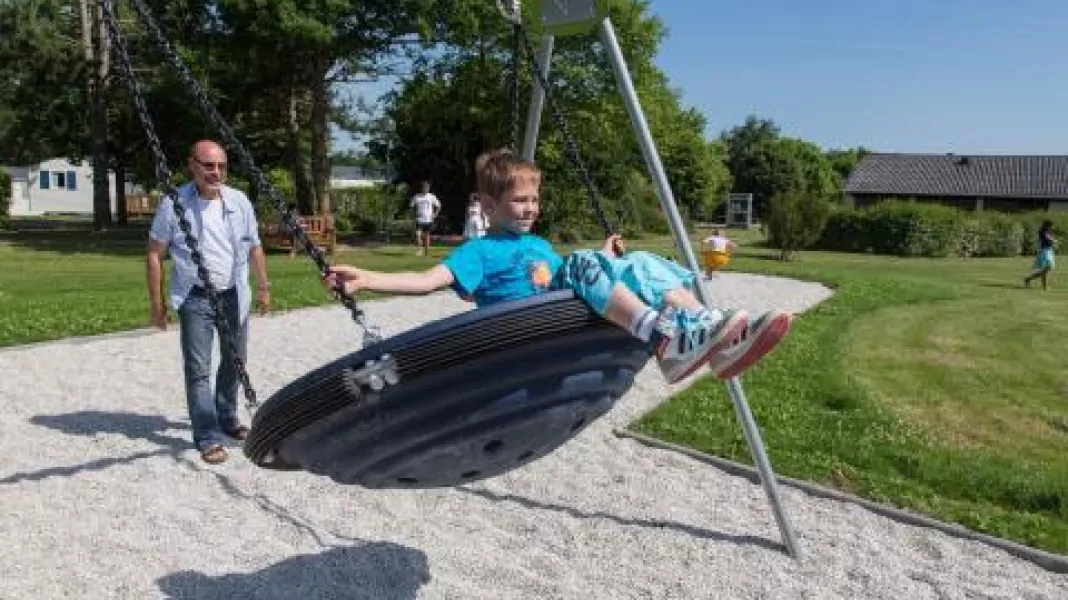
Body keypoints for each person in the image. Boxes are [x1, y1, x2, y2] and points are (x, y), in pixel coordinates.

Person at [323, 149, 792, 384]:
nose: (530, 208)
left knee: (641, 262)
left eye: (534, 199)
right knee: (588, 262)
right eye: (519, 200)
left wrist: (607, 257)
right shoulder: (479, 251)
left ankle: (710, 333)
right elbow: (428, 280)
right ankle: (664, 338)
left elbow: (573, 275)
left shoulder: (540, 244)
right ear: (488, 204)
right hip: (526, 327)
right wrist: (368, 278)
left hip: (561, 312)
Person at [146, 139, 272, 464]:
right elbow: (155, 254)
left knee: (235, 361)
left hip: (234, 294)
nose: (216, 172)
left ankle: (227, 417)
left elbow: (255, 246)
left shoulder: (239, 201)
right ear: (192, 165)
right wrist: (157, 304)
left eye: (221, 166)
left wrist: (263, 287)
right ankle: (207, 435)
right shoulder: (174, 204)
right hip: (195, 296)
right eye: (208, 165)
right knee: (198, 369)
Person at [410, 180, 441, 255]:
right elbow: (411, 206)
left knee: (426, 236)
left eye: (427, 187)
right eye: (424, 187)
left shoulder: (431, 196)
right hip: (419, 219)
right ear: (421, 188)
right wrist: (413, 215)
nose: (425, 189)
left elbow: (438, 206)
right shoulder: (417, 197)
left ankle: (426, 252)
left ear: (428, 188)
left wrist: (435, 215)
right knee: (418, 235)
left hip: (428, 219)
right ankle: (420, 250)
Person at [1024, 220, 1057, 290]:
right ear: (1047, 226)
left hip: (1049, 251)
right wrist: (1053, 240)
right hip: (1044, 252)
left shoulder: (1048, 233)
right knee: (1045, 269)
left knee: (1046, 270)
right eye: (1051, 226)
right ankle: (1044, 287)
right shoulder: (1043, 233)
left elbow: (1051, 241)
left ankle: (1028, 279)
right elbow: (1049, 241)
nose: (1053, 228)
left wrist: (1053, 241)